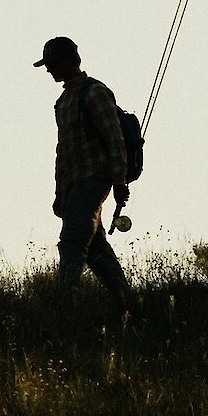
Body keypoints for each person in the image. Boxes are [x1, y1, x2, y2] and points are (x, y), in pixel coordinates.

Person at [34, 36, 131, 310]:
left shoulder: (95, 92)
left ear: (70, 61)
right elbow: (62, 152)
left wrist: (118, 181)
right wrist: (59, 192)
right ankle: (127, 301)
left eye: (52, 63)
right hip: (73, 186)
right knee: (96, 249)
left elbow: (114, 140)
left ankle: (63, 303)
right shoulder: (63, 101)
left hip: (95, 180)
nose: (49, 70)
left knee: (72, 242)